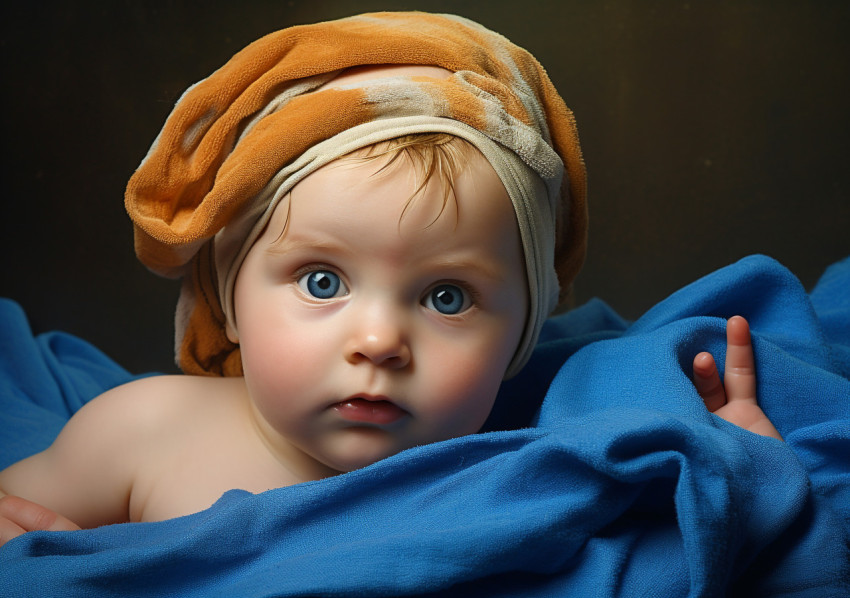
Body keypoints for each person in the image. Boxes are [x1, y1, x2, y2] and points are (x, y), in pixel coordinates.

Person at [0, 12, 780, 547]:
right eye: (320, 281)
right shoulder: (142, 431)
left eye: (448, 297)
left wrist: (740, 475)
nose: (378, 341)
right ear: (228, 295)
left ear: (521, 331)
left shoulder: (543, 449)